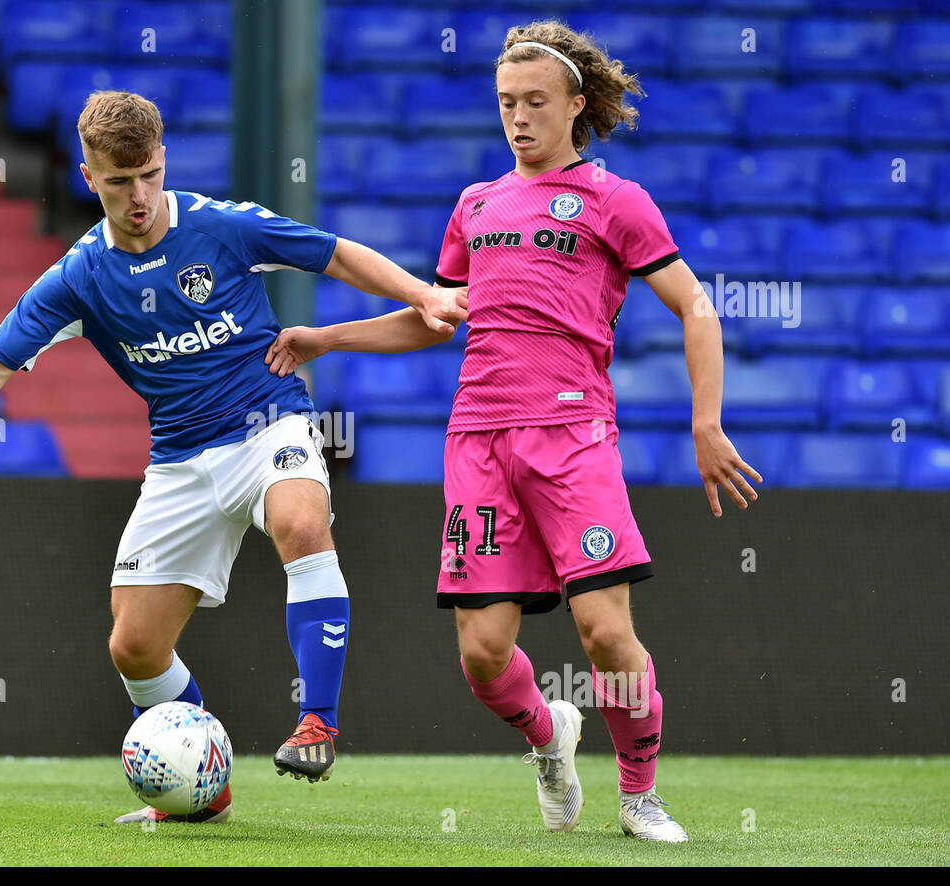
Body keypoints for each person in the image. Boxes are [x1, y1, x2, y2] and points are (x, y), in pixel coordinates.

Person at [0, 90, 464, 824]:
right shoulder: (78, 278)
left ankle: (317, 721)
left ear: (163, 162)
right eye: (119, 182)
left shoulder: (218, 226)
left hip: (268, 422)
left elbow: (334, 254)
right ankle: (205, 791)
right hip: (181, 459)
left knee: (302, 522)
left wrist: (423, 293)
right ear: (89, 176)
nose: (139, 196)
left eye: (150, 174)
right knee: (133, 647)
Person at [265, 21, 762, 842]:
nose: (520, 118)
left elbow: (697, 306)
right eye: (506, 103)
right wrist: (328, 337)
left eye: (536, 102)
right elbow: (436, 318)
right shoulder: (477, 205)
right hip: (478, 445)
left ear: (576, 105)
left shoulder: (615, 200)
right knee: (484, 657)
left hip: (573, 440)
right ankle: (548, 739)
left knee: (605, 632)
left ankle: (638, 794)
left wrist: (705, 422)